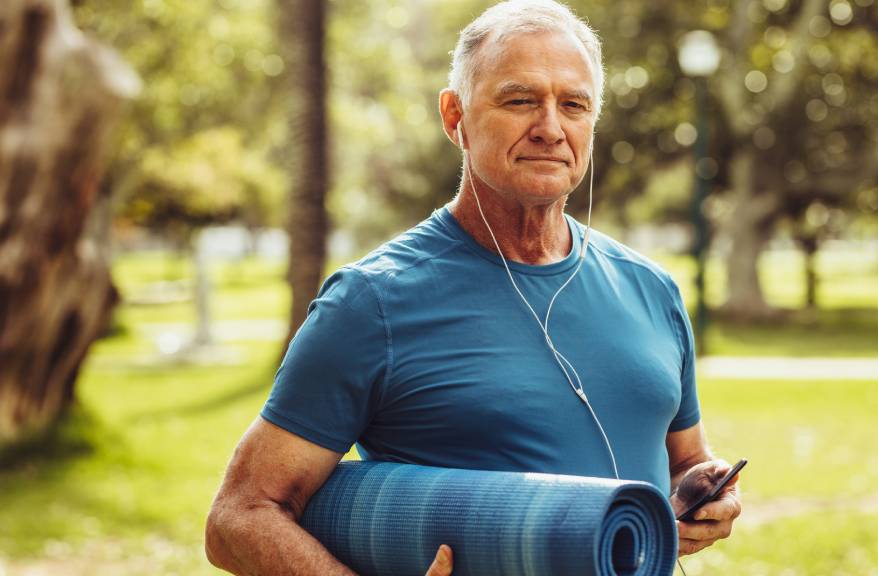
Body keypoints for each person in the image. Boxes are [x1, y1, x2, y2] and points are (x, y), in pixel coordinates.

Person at [205, 1, 741, 574]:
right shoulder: (371, 302)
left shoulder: (652, 290)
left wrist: (701, 491)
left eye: (574, 105)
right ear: (454, 115)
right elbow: (239, 516)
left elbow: (685, 460)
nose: (550, 128)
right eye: (520, 100)